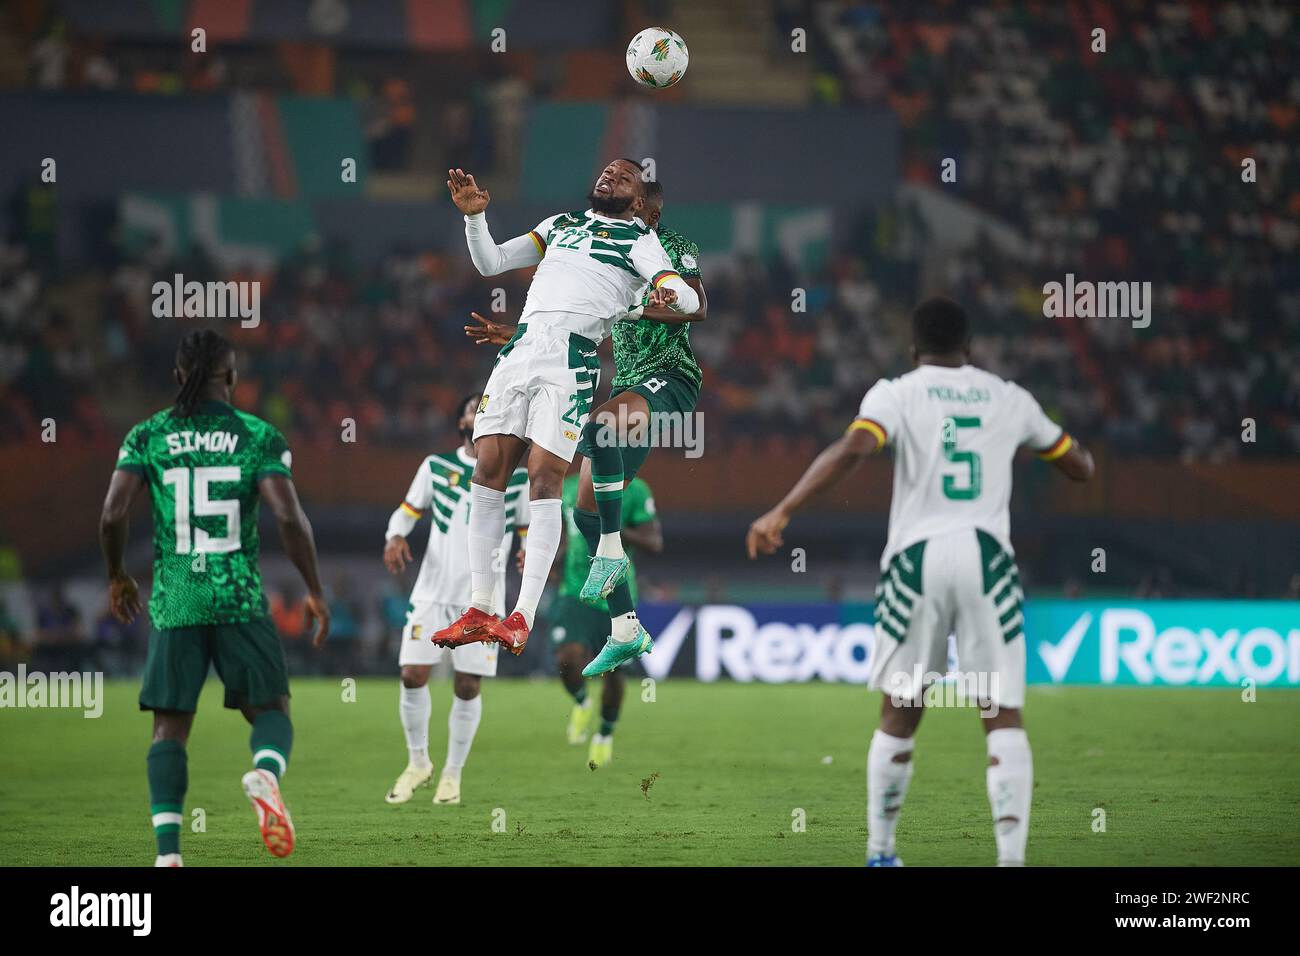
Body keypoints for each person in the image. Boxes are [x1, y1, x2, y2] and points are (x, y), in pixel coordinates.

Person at [746, 297, 1095, 867]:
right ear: (970, 348)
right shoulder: (1009, 397)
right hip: (987, 556)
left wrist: (782, 510)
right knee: (1000, 710)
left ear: (913, 349)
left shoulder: (896, 393)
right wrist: (1071, 451)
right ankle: (1011, 860)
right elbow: (1078, 466)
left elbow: (854, 448)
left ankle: (881, 853)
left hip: (916, 559)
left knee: (900, 709)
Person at [435, 159, 699, 663]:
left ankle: (522, 615)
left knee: (543, 480)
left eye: (625, 177)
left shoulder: (641, 242)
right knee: (486, 471)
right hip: (520, 350)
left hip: (571, 360)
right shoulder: (560, 225)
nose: (610, 177)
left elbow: (686, 300)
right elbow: (490, 262)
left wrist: (657, 296)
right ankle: (480, 607)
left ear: (640, 202)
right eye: (606, 172)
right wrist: (474, 219)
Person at [99, 329, 329, 866]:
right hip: (238, 597)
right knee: (271, 709)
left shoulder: (147, 435)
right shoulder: (258, 435)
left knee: (168, 729)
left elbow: (112, 513)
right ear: (232, 377)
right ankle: (265, 775)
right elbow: (289, 517)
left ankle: (168, 856)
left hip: (176, 600)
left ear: (179, 377)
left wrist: (116, 575)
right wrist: (314, 590)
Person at [382, 393, 528, 806]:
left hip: (483, 601)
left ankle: (452, 774)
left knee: (466, 686)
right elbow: (407, 511)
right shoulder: (436, 466)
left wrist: (526, 549)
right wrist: (395, 536)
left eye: (486, 406)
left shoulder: (517, 478)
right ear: (461, 422)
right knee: (412, 674)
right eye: (472, 407)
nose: (479, 411)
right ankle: (418, 763)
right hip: (431, 593)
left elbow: (528, 529)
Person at [551, 471, 661, 767]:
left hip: (616, 594)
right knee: (566, 658)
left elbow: (654, 542)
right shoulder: (570, 486)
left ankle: (605, 734)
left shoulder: (636, 490)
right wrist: (551, 560)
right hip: (574, 590)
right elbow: (565, 537)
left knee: (615, 674)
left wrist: (612, 530)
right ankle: (583, 701)